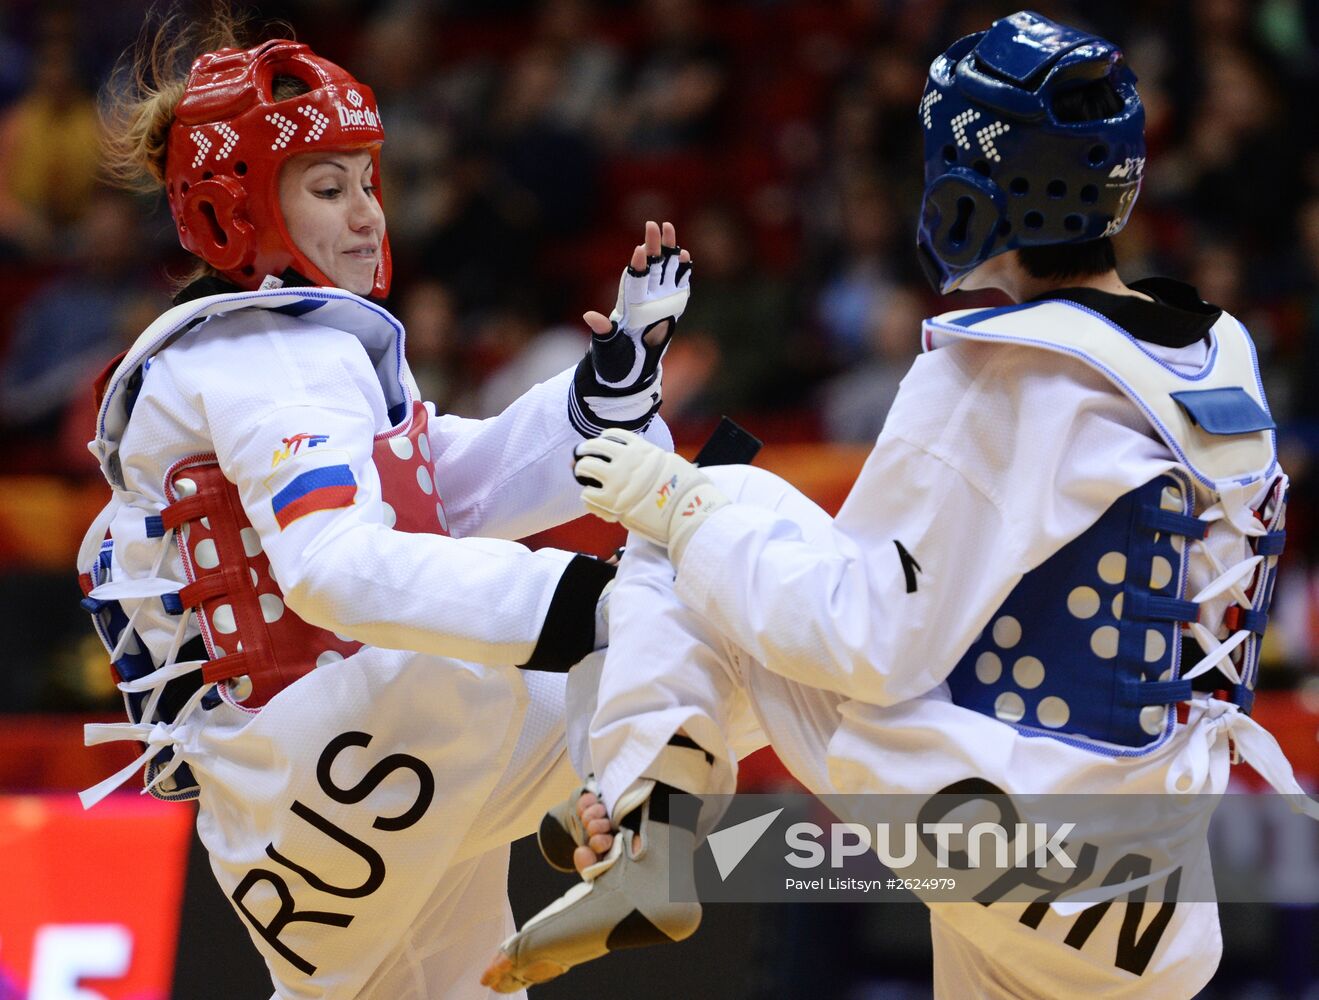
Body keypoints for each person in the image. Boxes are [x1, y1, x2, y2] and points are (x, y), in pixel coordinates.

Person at [485, 11, 1318, 998]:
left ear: (966, 184)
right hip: (1158, 891)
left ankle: (645, 830)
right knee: (742, 577)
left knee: (714, 514)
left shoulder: (995, 372)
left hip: (1004, 844)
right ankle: (630, 801)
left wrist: (673, 497)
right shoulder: (1214, 352)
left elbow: (859, 637)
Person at [74, 10, 690, 1000]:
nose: (368, 214)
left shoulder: (282, 351)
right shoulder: (269, 354)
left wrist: (595, 404)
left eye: (369, 182)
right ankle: (630, 807)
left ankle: (621, 794)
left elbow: (445, 487)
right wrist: (578, 603)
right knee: (693, 614)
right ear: (237, 208)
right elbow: (333, 569)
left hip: (310, 800)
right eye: (328, 188)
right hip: (338, 745)